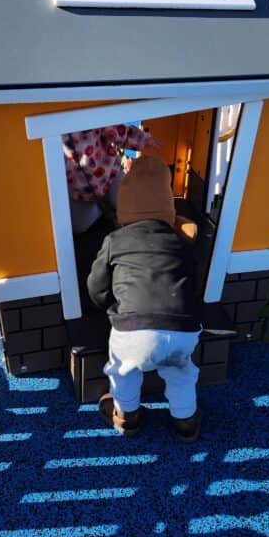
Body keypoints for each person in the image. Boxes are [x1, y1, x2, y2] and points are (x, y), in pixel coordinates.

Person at [87, 155, 203, 443]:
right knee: (181, 373)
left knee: (122, 371)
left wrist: (107, 305)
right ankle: (186, 421)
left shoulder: (115, 241)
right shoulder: (180, 241)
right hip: (182, 329)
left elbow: (97, 288)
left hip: (134, 330)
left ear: (124, 206)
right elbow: (192, 282)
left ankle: (127, 416)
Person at [64, 124, 159, 235]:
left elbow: (115, 130)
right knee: (79, 226)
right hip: (79, 191)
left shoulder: (88, 117)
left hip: (110, 173)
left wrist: (141, 139)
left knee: (130, 205)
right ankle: (106, 209)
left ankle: (112, 208)